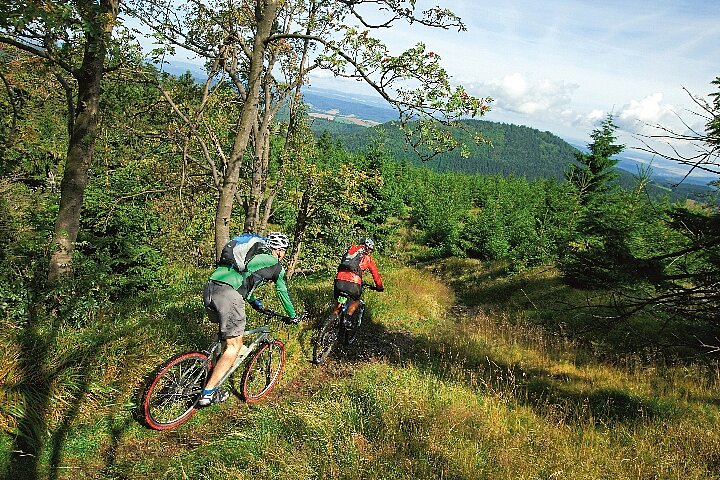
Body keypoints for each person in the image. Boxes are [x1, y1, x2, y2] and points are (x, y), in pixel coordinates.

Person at [199, 231, 299, 406]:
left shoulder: (251, 257)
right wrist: (293, 316)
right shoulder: (275, 265)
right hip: (228, 294)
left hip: (211, 287)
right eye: (283, 251)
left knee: (224, 342)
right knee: (234, 346)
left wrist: (254, 301)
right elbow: (282, 291)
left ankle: (206, 378)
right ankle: (207, 394)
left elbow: (244, 279)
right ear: (280, 250)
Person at [332, 237, 384, 325]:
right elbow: (375, 274)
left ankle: (332, 320)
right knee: (356, 300)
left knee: (340, 301)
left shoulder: (350, 251)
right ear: (367, 247)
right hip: (353, 283)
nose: (370, 252)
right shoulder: (367, 258)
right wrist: (379, 287)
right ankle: (347, 319)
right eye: (370, 250)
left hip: (339, 281)